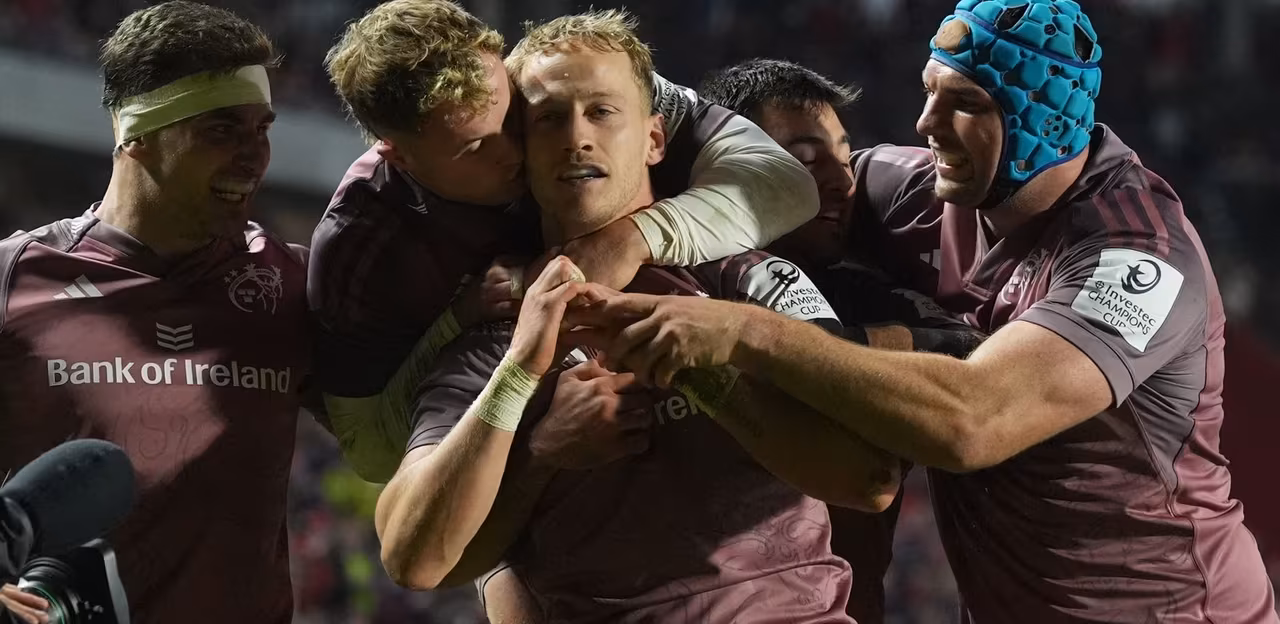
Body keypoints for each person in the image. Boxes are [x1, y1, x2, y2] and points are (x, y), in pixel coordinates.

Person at [574, 0, 1279, 622]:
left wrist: (747, 333)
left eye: (962, 102)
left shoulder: (1140, 259)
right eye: (928, 91)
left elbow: (975, 421)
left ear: (1042, 120)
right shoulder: (913, 192)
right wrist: (636, 232)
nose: (926, 123)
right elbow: (755, 164)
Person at [373, 11, 904, 622]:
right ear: (522, 150)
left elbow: (870, 478)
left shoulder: (752, 281)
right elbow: (413, 559)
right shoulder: (497, 332)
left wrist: (703, 373)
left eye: (602, 111)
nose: (577, 137)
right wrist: (535, 436)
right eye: (549, 118)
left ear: (654, 139)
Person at [309, 0, 821, 484]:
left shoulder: (556, 81)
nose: (518, 150)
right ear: (399, 157)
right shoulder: (359, 247)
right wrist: (461, 322)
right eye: (476, 147)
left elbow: (789, 184)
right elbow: (368, 451)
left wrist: (631, 239)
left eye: (514, 117)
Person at [0, 3, 308, 623]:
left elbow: (393, 428)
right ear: (136, 134)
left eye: (262, 129)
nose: (254, 157)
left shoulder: (294, 282)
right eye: (222, 130)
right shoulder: (14, 277)